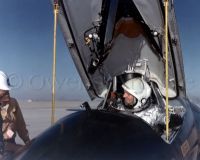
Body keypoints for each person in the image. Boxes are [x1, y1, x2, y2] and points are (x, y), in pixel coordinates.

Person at [0, 71, 30, 159]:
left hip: (10, 143)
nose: (7, 97)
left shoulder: (13, 103)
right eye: (3, 94)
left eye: (7, 92)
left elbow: (20, 125)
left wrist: (27, 142)